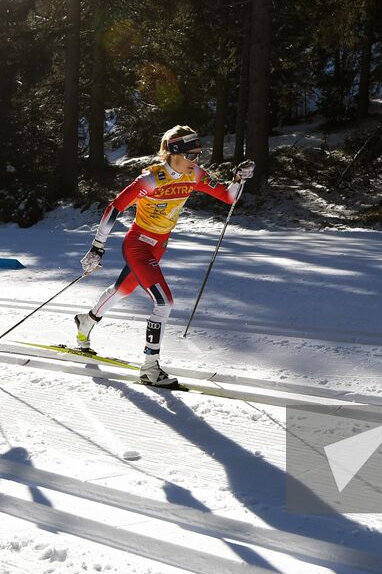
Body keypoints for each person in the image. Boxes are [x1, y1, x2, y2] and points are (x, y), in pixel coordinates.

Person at [75, 125, 254, 387]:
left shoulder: (194, 175)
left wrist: (239, 179)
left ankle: (85, 322)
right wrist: (97, 247)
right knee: (164, 303)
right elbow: (115, 207)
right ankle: (150, 368)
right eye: (192, 156)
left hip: (158, 246)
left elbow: (228, 197)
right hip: (137, 245)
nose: (196, 161)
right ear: (175, 153)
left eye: (198, 155)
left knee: (122, 290)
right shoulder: (150, 179)